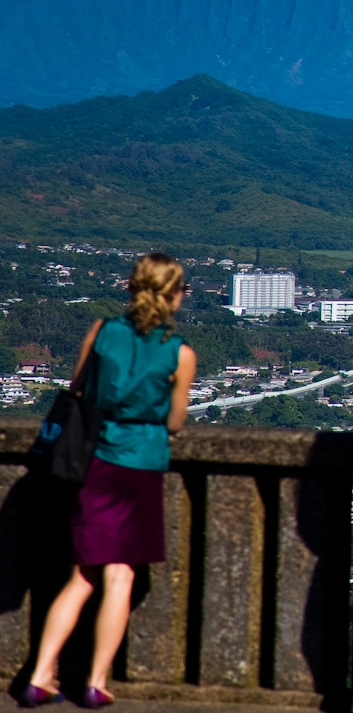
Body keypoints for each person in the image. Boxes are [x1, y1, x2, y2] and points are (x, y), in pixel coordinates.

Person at [23, 253, 198, 709]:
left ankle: (41, 673)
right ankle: (96, 682)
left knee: (82, 575)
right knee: (120, 576)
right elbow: (176, 421)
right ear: (174, 295)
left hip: (95, 459)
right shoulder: (180, 353)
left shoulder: (101, 334)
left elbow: (77, 389)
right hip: (141, 464)